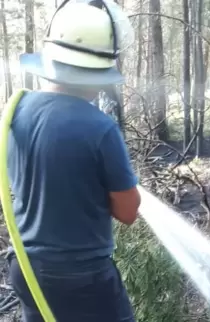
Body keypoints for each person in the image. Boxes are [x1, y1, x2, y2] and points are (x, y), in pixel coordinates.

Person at [6, 1, 141, 321]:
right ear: (98, 70)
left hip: (26, 268)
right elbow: (127, 211)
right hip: (81, 278)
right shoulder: (99, 127)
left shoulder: (15, 112)